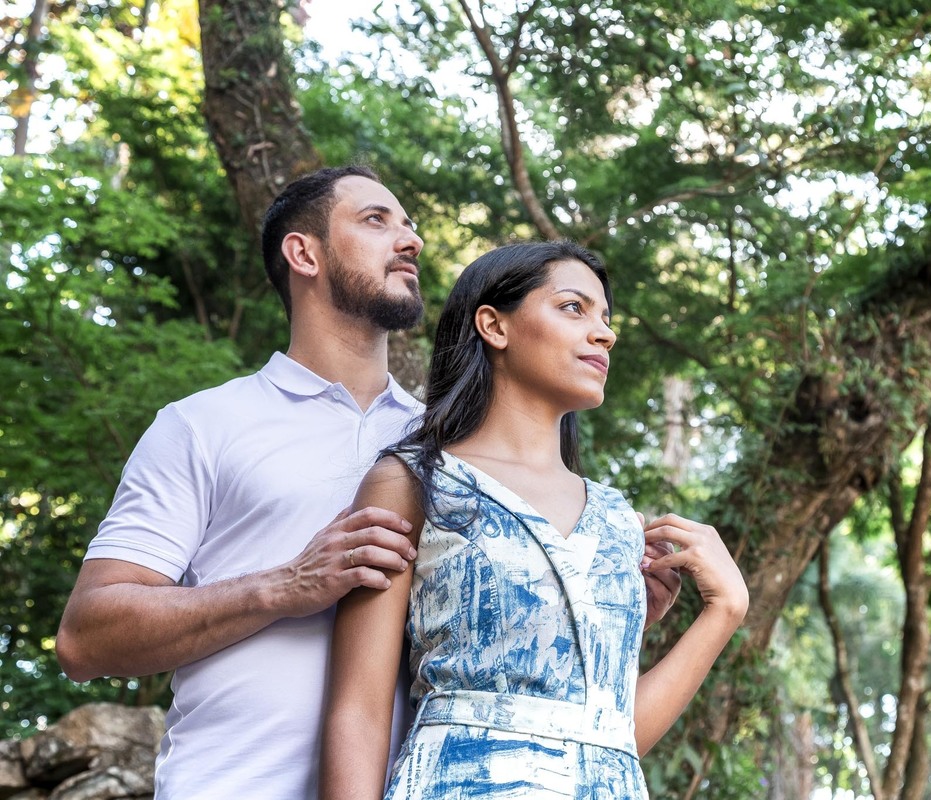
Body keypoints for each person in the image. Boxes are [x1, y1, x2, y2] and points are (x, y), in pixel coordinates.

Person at [55, 166, 682, 800]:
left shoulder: (452, 456)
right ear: (304, 253)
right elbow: (86, 638)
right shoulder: (204, 424)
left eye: (410, 226)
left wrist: (590, 603)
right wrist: (283, 585)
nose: (410, 240)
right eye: (377, 220)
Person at [320, 241, 748, 799]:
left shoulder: (619, 523)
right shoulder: (413, 483)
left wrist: (725, 611)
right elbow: (360, 712)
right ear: (494, 326)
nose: (604, 333)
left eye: (606, 319)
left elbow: (612, 736)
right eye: (574, 308)